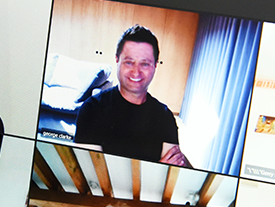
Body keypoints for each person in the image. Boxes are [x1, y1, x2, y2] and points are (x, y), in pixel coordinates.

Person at [74, 25, 190, 167]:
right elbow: (93, 174)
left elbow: (170, 172)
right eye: (129, 62)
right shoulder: (92, 109)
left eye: (145, 64)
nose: (136, 72)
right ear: (117, 60)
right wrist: (154, 169)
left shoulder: (165, 116)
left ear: (155, 66)